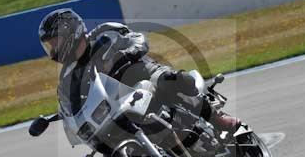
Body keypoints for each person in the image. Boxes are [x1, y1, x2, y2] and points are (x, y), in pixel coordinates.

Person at [37, 8, 240, 132]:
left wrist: (130, 52)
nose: (54, 49)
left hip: (143, 74)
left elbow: (137, 38)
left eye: (55, 42)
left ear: (71, 32)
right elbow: (67, 100)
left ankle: (217, 118)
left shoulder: (104, 33)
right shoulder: (68, 75)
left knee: (172, 79)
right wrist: (61, 114)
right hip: (117, 103)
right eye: (49, 46)